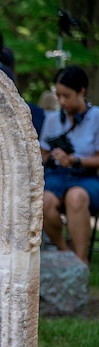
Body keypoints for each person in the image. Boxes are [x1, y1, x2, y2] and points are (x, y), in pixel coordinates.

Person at [40, 66, 99, 266]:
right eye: (59, 96)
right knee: (42, 201)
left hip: (86, 176)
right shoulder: (53, 119)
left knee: (76, 197)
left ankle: (81, 262)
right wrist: (52, 156)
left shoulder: (96, 117)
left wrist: (75, 160)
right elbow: (43, 152)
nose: (62, 101)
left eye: (67, 95)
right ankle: (66, 255)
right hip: (57, 175)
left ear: (81, 91)